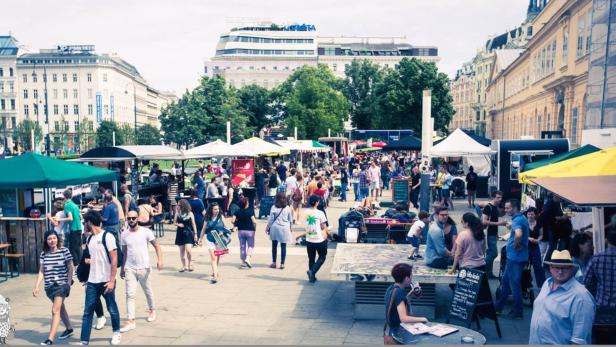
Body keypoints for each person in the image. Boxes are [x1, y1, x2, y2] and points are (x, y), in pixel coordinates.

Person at [529, 250, 595, 345]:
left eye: (565, 268)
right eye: (556, 267)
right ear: (550, 268)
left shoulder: (581, 297)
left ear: (571, 269)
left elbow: (578, 341)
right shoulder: (547, 283)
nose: (560, 272)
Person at [76, 211, 121, 346]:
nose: (84, 225)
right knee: (87, 311)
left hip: (106, 280)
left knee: (112, 308)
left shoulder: (107, 237)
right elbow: (91, 260)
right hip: (92, 282)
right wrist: (86, 278)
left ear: (90, 222)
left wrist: (112, 280)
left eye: (85, 222)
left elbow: (114, 259)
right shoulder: (89, 239)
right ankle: (84, 341)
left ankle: (116, 333)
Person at [119, 211, 162, 333]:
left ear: (138, 218)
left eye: (133, 218)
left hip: (144, 267)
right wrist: (123, 268)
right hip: (130, 268)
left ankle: (152, 309)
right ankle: (130, 320)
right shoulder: (124, 234)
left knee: (147, 291)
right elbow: (125, 253)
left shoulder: (146, 232)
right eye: (129, 218)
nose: (131, 220)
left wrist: (160, 260)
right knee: (130, 294)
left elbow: (156, 246)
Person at [33, 230, 75, 345]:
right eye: (49, 239)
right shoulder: (43, 254)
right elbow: (42, 270)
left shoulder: (64, 251)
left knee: (55, 310)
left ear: (57, 239)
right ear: (46, 241)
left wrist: (68, 282)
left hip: (61, 286)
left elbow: (71, 267)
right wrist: (37, 286)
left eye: (54, 238)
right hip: (49, 287)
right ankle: (69, 328)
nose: (52, 241)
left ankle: (50, 339)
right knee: (61, 309)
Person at [495, 199, 529, 320]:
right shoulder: (521, 218)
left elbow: (519, 234)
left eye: (508, 208)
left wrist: (516, 243)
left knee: (514, 285)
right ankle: (499, 307)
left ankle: (518, 311)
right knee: (505, 282)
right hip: (514, 258)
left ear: (514, 208)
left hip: (515, 258)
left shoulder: (517, 220)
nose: (505, 210)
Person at [384, 263, 428, 340]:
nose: (412, 278)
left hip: (391, 330)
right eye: (411, 275)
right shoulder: (399, 292)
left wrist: (409, 296)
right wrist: (423, 319)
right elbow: (403, 318)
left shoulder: (391, 288)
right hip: (398, 332)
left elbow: (396, 303)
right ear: (406, 278)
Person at [199, 203, 226, 284]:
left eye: (217, 209)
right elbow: (203, 229)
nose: (217, 211)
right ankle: (215, 276)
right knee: (213, 257)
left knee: (218, 255)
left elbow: (225, 227)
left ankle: (215, 270)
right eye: (215, 209)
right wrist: (200, 239)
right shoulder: (207, 218)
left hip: (219, 238)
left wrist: (222, 231)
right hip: (210, 238)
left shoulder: (221, 216)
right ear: (211, 210)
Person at [304, 195, 329, 283]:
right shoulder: (320, 213)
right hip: (319, 239)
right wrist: (326, 233)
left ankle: (312, 277)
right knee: (322, 256)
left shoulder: (306, 212)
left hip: (309, 238)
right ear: (317, 203)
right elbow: (323, 226)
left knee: (311, 258)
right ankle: (312, 271)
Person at [266, 192, 294, 270]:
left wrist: (267, 227)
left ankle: (274, 262)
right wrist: (291, 227)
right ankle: (282, 264)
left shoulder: (273, 207)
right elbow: (290, 219)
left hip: (275, 228)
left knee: (274, 245)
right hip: (285, 228)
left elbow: (271, 219)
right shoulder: (287, 208)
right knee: (283, 246)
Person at [482, 190, 506, 277]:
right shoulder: (488, 207)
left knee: (490, 253)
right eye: (498, 198)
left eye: (501, 198)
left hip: (493, 234)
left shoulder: (495, 206)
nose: (500, 199)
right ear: (493, 197)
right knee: (493, 253)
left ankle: (488, 273)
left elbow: (497, 217)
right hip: (489, 234)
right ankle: (482, 268)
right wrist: (499, 223)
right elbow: (484, 221)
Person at [231, 196, 257, 268]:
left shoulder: (237, 212)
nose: (248, 203)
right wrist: (255, 226)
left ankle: (243, 262)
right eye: (247, 202)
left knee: (242, 246)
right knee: (251, 245)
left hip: (241, 231)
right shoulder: (250, 211)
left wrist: (236, 223)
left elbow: (232, 221)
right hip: (250, 231)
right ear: (246, 204)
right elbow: (254, 221)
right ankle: (248, 259)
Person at [173, 199, 197, 272]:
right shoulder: (177, 213)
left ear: (183, 205)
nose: (177, 206)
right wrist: (178, 224)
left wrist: (195, 234)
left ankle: (190, 264)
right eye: (177, 205)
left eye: (179, 205)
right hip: (180, 233)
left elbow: (193, 224)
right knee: (182, 251)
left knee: (188, 250)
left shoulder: (190, 213)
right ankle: (184, 266)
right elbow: (174, 222)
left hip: (188, 233)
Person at [60, 189, 83, 266]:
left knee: (72, 249)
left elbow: (70, 218)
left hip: (73, 229)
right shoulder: (75, 205)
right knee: (78, 247)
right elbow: (80, 216)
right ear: (71, 196)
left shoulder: (67, 205)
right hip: (79, 228)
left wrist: (59, 219)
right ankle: (80, 264)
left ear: (64, 196)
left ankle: (76, 266)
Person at [526, 207, 546, 288]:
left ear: (535, 215)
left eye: (532, 214)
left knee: (538, 265)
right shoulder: (524, 222)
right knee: (525, 266)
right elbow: (520, 234)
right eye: (529, 214)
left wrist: (537, 240)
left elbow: (541, 235)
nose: (530, 216)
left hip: (535, 246)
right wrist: (528, 238)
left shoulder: (539, 223)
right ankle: (526, 284)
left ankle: (542, 285)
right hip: (525, 247)